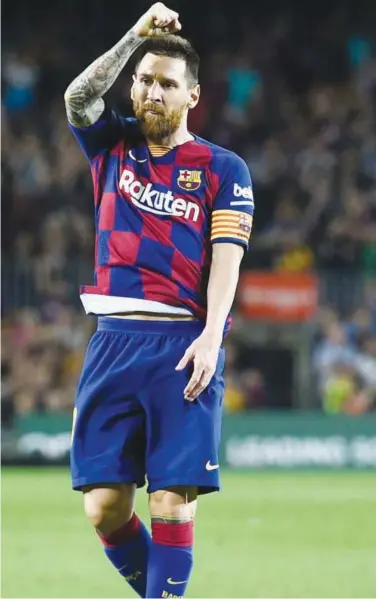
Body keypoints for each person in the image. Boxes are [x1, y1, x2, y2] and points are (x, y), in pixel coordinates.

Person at [64, 3, 254, 597]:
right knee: (104, 508)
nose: (151, 91)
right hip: (113, 342)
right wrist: (135, 37)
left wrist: (211, 336)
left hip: (182, 342)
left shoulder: (223, 168)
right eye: (144, 80)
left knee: (172, 502)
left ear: (192, 97)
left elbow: (228, 260)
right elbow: (77, 98)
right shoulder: (110, 146)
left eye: (166, 84)